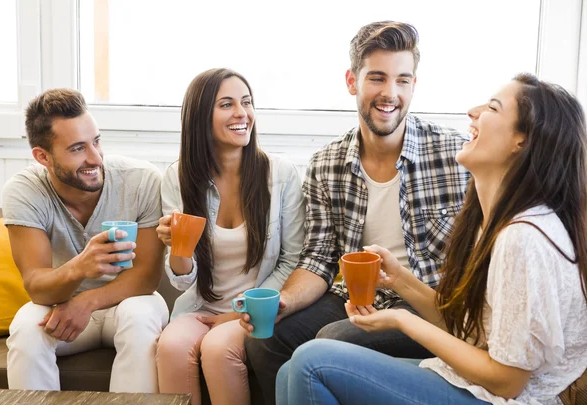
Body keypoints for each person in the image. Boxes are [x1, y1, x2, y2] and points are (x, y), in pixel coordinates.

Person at [277, 73, 587, 405]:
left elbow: (508, 381)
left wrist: (403, 319)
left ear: (521, 141)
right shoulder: (496, 221)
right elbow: (468, 332)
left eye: (493, 108)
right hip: (471, 384)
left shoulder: (523, 238)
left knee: (312, 362)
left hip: (506, 400)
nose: (473, 111)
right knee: (287, 372)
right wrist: (400, 280)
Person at [241, 21, 470, 404]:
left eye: (402, 80)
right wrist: (286, 301)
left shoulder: (455, 155)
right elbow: (318, 258)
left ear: (414, 84)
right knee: (265, 341)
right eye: (377, 78)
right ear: (352, 81)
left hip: (428, 303)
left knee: (334, 339)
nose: (390, 94)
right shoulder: (325, 163)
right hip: (352, 296)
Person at [2, 88, 169, 392]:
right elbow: (36, 286)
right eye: (78, 148)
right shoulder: (24, 191)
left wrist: (86, 301)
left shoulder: (142, 180)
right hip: (61, 306)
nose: (95, 157)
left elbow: (146, 277)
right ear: (43, 156)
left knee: (140, 317)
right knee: (26, 329)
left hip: (127, 301)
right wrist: (80, 268)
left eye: (96, 141)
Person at [155, 68, 305, 405]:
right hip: (199, 305)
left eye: (246, 102)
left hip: (256, 309)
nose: (242, 113)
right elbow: (181, 281)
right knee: (170, 345)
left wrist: (241, 310)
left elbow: (293, 259)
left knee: (218, 348)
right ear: (200, 117)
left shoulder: (280, 175)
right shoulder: (178, 176)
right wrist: (178, 247)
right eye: (226, 104)